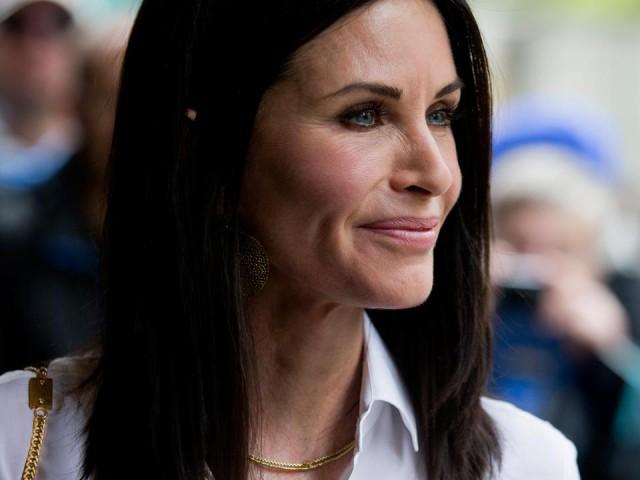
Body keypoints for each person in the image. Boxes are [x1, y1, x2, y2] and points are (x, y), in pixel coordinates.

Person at [0, 1, 580, 479]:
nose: (436, 174)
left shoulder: (527, 463)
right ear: (210, 155)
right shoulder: (22, 441)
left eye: (440, 113)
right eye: (364, 115)